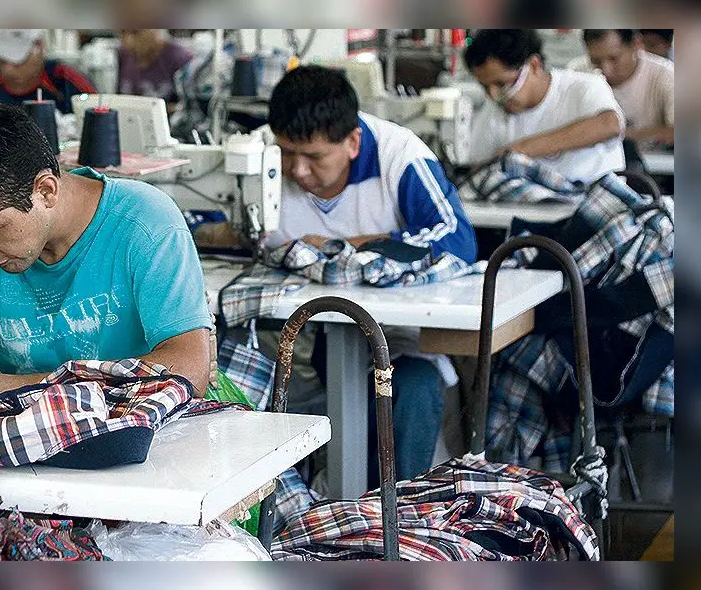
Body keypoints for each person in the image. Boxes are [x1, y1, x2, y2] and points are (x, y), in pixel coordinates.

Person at [0, 101, 212, 411]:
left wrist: (30, 385)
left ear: (46, 191)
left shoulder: (145, 224)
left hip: (156, 429)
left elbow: (188, 369)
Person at [263, 65, 477, 484]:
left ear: (354, 141)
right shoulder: (260, 157)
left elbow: (458, 239)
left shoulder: (399, 155)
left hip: (402, 338)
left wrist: (344, 246)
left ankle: (393, 528)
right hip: (308, 341)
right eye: (287, 153)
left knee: (412, 389)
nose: (297, 171)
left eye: (314, 157)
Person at [465, 29, 626, 184]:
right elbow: (479, 170)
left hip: (593, 203)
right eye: (485, 87)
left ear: (534, 65)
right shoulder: (493, 112)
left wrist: (521, 150)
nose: (493, 95)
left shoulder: (584, 87)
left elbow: (610, 125)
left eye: (502, 84)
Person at [0, 29, 96, 114]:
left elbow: (98, 119)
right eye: (0, 60)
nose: (8, 69)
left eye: (17, 60)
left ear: (40, 47)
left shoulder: (68, 83)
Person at [583, 29, 674, 148]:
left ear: (636, 44)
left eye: (614, 59)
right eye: (595, 61)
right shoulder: (578, 74)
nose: (606, 70)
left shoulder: (667, 75)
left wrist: (606, 132)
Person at [118, 29, 193, 111]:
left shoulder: (180, 59)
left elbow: (190, 109)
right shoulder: (121, 56)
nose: (129, 42)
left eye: (136, 32)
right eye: (122, 33)